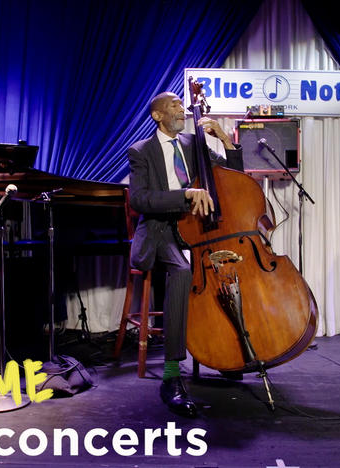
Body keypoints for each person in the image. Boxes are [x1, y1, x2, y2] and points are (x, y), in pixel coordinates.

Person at [127, 91, 243, 417]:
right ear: (157, 116)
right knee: (181, 272)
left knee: (231, 265)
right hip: (162, 232)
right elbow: (141, 200)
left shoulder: (194, 145)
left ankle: (225, 354)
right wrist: (185, 194)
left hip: (198, 231)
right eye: (174, 105)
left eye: (182, 104)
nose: (181, 108)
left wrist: (225, 139)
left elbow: (231, 177)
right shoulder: (141, 151)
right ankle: (171, 377)